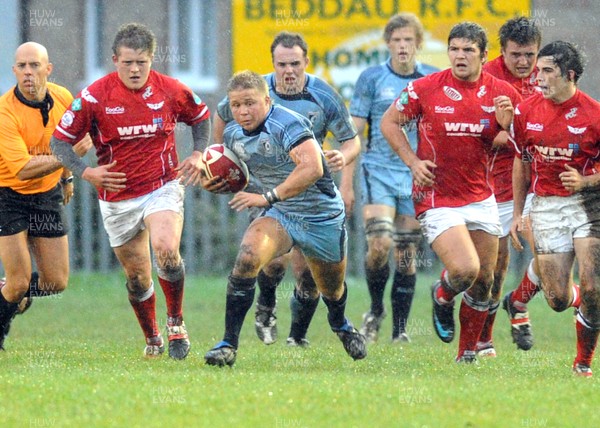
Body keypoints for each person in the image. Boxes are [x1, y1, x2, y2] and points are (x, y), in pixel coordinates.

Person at [51, 23, 211, 360]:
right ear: (114, 61)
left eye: (142, 62)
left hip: (162, 186)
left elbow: (200, 116)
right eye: (128, 63)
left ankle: (176, 322)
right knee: (138, 278)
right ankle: (153, 337)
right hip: (117, 197)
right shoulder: (94, 96)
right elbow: (59, 141)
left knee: (166, 249)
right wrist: (85, 172)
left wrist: (198, 153)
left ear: (152, 59)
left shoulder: (170, 89)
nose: (135, 70)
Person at [201, 70, 366, 367]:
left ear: (266, 100)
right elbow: (228, 170)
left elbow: (312, 168)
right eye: (236, 105)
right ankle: (228, 344)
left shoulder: (287, 122)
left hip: (321, 216)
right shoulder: (233, 133)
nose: (242, 111)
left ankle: (340, 323)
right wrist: (214, 180)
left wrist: (266, 197)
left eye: (250, 103)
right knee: (248, 257)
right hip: (282, 213)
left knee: (331, 289)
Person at [381, 22, 520, 363]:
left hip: (481, 196)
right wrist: (412, 161)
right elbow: (389, 122)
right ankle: (442, 294)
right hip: (436, 196)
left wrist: (507, 125)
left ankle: (466, 355)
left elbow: (517, 145)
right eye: (454, 49)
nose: (460, 55)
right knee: (464, 270)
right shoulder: (425, 89)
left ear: (484, 56)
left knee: (485, 281)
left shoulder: (502, 94)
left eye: (468, 50)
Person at [508, 41, 600, 376]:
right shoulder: (526, 111)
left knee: (593, 287)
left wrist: (586, 182)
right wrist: (519, 213)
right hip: (546, 205)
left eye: (547, 71)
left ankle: (583, 364)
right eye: (538, 70)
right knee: (558, 299)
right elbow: (521, 160)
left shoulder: (595, 114)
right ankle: (516, 300)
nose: (539, 77)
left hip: (590, 207)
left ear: (570, 75)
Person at [349, 12, 438, 344]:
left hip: (417, 173)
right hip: (379, 171)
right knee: (379, 244)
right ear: (388, 43)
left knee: (405, 254)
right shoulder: (372, 78)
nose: (403, 46)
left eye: (408, 40)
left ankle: (400, 330)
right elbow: (355, 130)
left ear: (418, 43)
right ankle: (375, 310)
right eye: (397, 40)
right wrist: (342, 168)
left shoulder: (433, 78)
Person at [0, 42, 91, 349]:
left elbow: (81, 134)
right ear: (14, 71)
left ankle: (9, 293)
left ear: (48, 69)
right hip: (8, 195)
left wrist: (66, 178)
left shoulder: (64, 97)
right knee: (17, 284)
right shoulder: (4, 111)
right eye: (22, 66)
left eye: (34, 66)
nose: (28, 72)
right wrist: (66, 159)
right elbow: (23, 169)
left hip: (47, 195)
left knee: (55, 282)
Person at [477, 16, 543, 356]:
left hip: (541, 179)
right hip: (497, 181)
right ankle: (484, 336)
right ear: (502, 52)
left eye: (529, 55)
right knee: (495, 265)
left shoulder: (547, 74)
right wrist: (516, 135)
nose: (523, 62)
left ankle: (518, 302)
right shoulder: (486, 77)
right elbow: (485, 132)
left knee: (550, 254)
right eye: (515, 55)